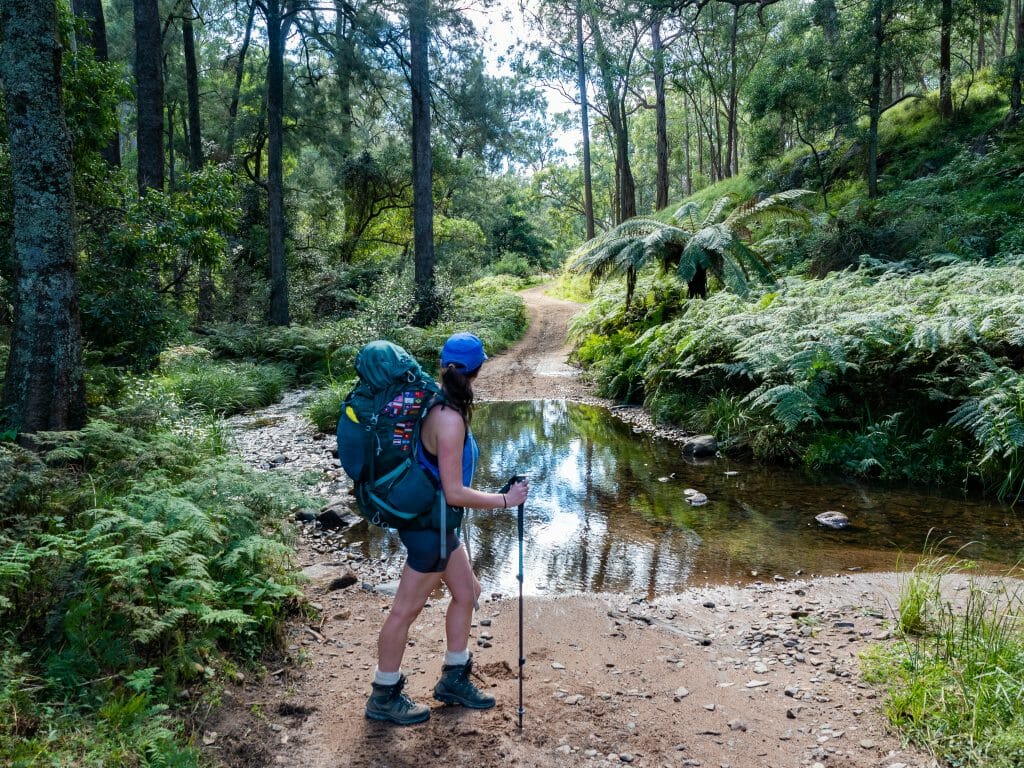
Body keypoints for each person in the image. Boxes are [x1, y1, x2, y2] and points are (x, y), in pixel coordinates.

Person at [365, 332, 530, 726]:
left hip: (437, 525)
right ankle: (383, 694)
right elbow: (454, 492)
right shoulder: (449, 420)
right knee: (405, 610)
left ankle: (454, 679)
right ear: (477, 370)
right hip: (431, 529)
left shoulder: (437, 404)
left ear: (443, 366)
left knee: (468, 591)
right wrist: (505, 501)